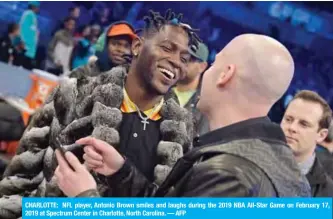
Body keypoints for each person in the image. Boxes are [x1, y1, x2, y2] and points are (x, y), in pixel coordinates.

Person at [54, 34, 311, 198]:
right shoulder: (285, 169)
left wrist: (85, 198)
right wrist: (122, 172)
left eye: (214, 64)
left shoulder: (229, 175)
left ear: (226, 74)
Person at [0, 9, 197, 217]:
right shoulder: (72, 94)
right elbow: (19, 180)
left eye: (185, 58)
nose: (176, 61)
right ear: (138, 46)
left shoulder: (183, 132)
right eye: (167, 48)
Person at [280, 90, 333, 196]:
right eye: (288, 119)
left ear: (321, 135)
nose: (292, 128)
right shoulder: (250, 163)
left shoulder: (328, 193)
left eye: (304, 124)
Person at [69, 21, 136, 77]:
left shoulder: (133, 79)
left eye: (126, 46)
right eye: (115, 44)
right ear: (105, 45)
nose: (120, 50)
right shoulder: (83, 73)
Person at [173, 42, 209, 136]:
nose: (185, 61)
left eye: (191, 59)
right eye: (183, 56)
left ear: (202, 66)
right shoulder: (162, 89)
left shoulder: (205, 102)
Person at [19, 1, 40, 70]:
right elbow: (22, 28)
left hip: (30, 51)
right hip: (25, 49)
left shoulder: (33, 16)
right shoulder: (28, 14)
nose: (39, 9)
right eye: (38, 7)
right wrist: (23, 43)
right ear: (34, 6)